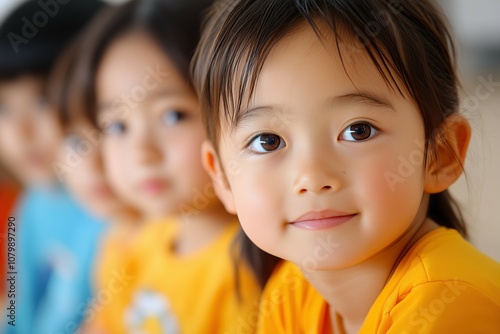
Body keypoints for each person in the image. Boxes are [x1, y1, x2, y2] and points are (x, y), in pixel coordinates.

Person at [192, 0, 500, 332]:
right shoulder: (292, 292)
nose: (311, 177)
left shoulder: (450, 302)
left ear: (440, 154)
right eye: (267, 140)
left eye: (358, 131)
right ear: (222, 178)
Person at [58, 0, 271, 332]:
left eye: (173, 116)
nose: (142, 153)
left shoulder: (257, 275)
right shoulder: (125, 250)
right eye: (116, 126)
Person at [0, 1, 106, 332]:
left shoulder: (113, 212)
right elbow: (16, 309)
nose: (21, 131)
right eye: (3, 106)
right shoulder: (28, 208)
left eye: (43, 99)